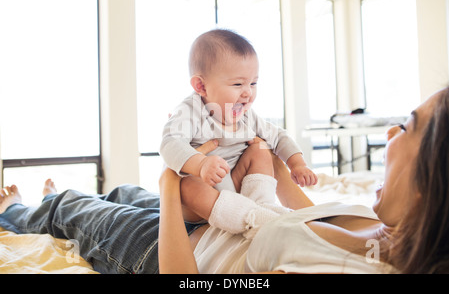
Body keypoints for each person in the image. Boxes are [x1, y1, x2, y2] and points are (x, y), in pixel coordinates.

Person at [0, 86, 448, 274]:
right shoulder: (376, 223)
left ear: (433, 181)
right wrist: (272, 161)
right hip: (215, 204)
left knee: (73, 209)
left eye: (406, 126)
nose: (390, 132)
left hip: (179, 248)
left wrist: (170, 185)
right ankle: (51, 204)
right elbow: (295, 213)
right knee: (117, 193)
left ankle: (17, 210)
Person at [160, 29, 317, 227]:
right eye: (237, 84)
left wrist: (297, 164)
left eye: (253, 83)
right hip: (202, 198)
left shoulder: (246, 116)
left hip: (237, 185)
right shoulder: (189, 111)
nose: (248, 93)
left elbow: (278, 136)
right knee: (186, 184)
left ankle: (261, 207)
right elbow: (170, 143)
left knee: (260, 151)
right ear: (201, 86)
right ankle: (243, 219)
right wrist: (200, 165)